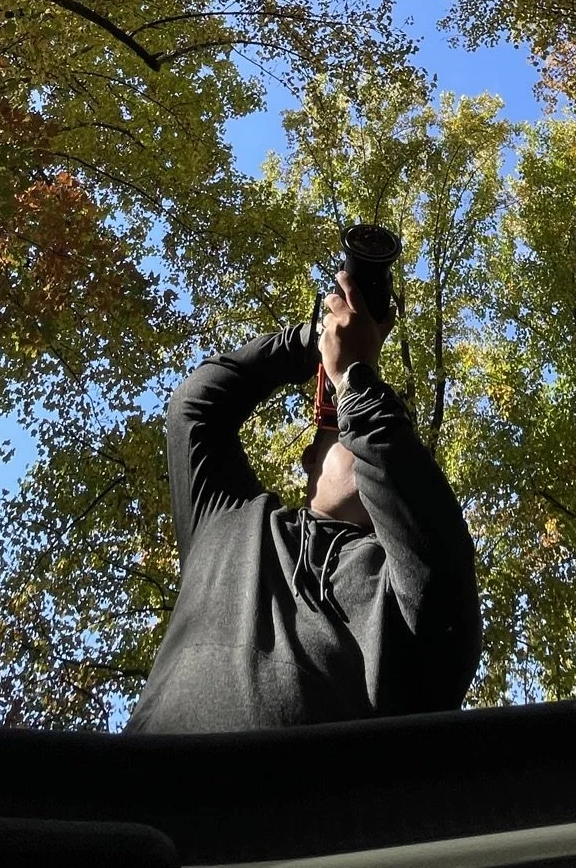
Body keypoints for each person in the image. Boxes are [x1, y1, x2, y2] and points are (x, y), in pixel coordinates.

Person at [125, 269, 481, 732]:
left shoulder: (397, 590)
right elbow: (195, 408)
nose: (362, 438)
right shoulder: (228, 520)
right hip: (145, 795)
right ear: (310, 456)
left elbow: (440, 569)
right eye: (346, 429)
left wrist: (356, 382)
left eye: (371, 432)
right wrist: (315, 340)